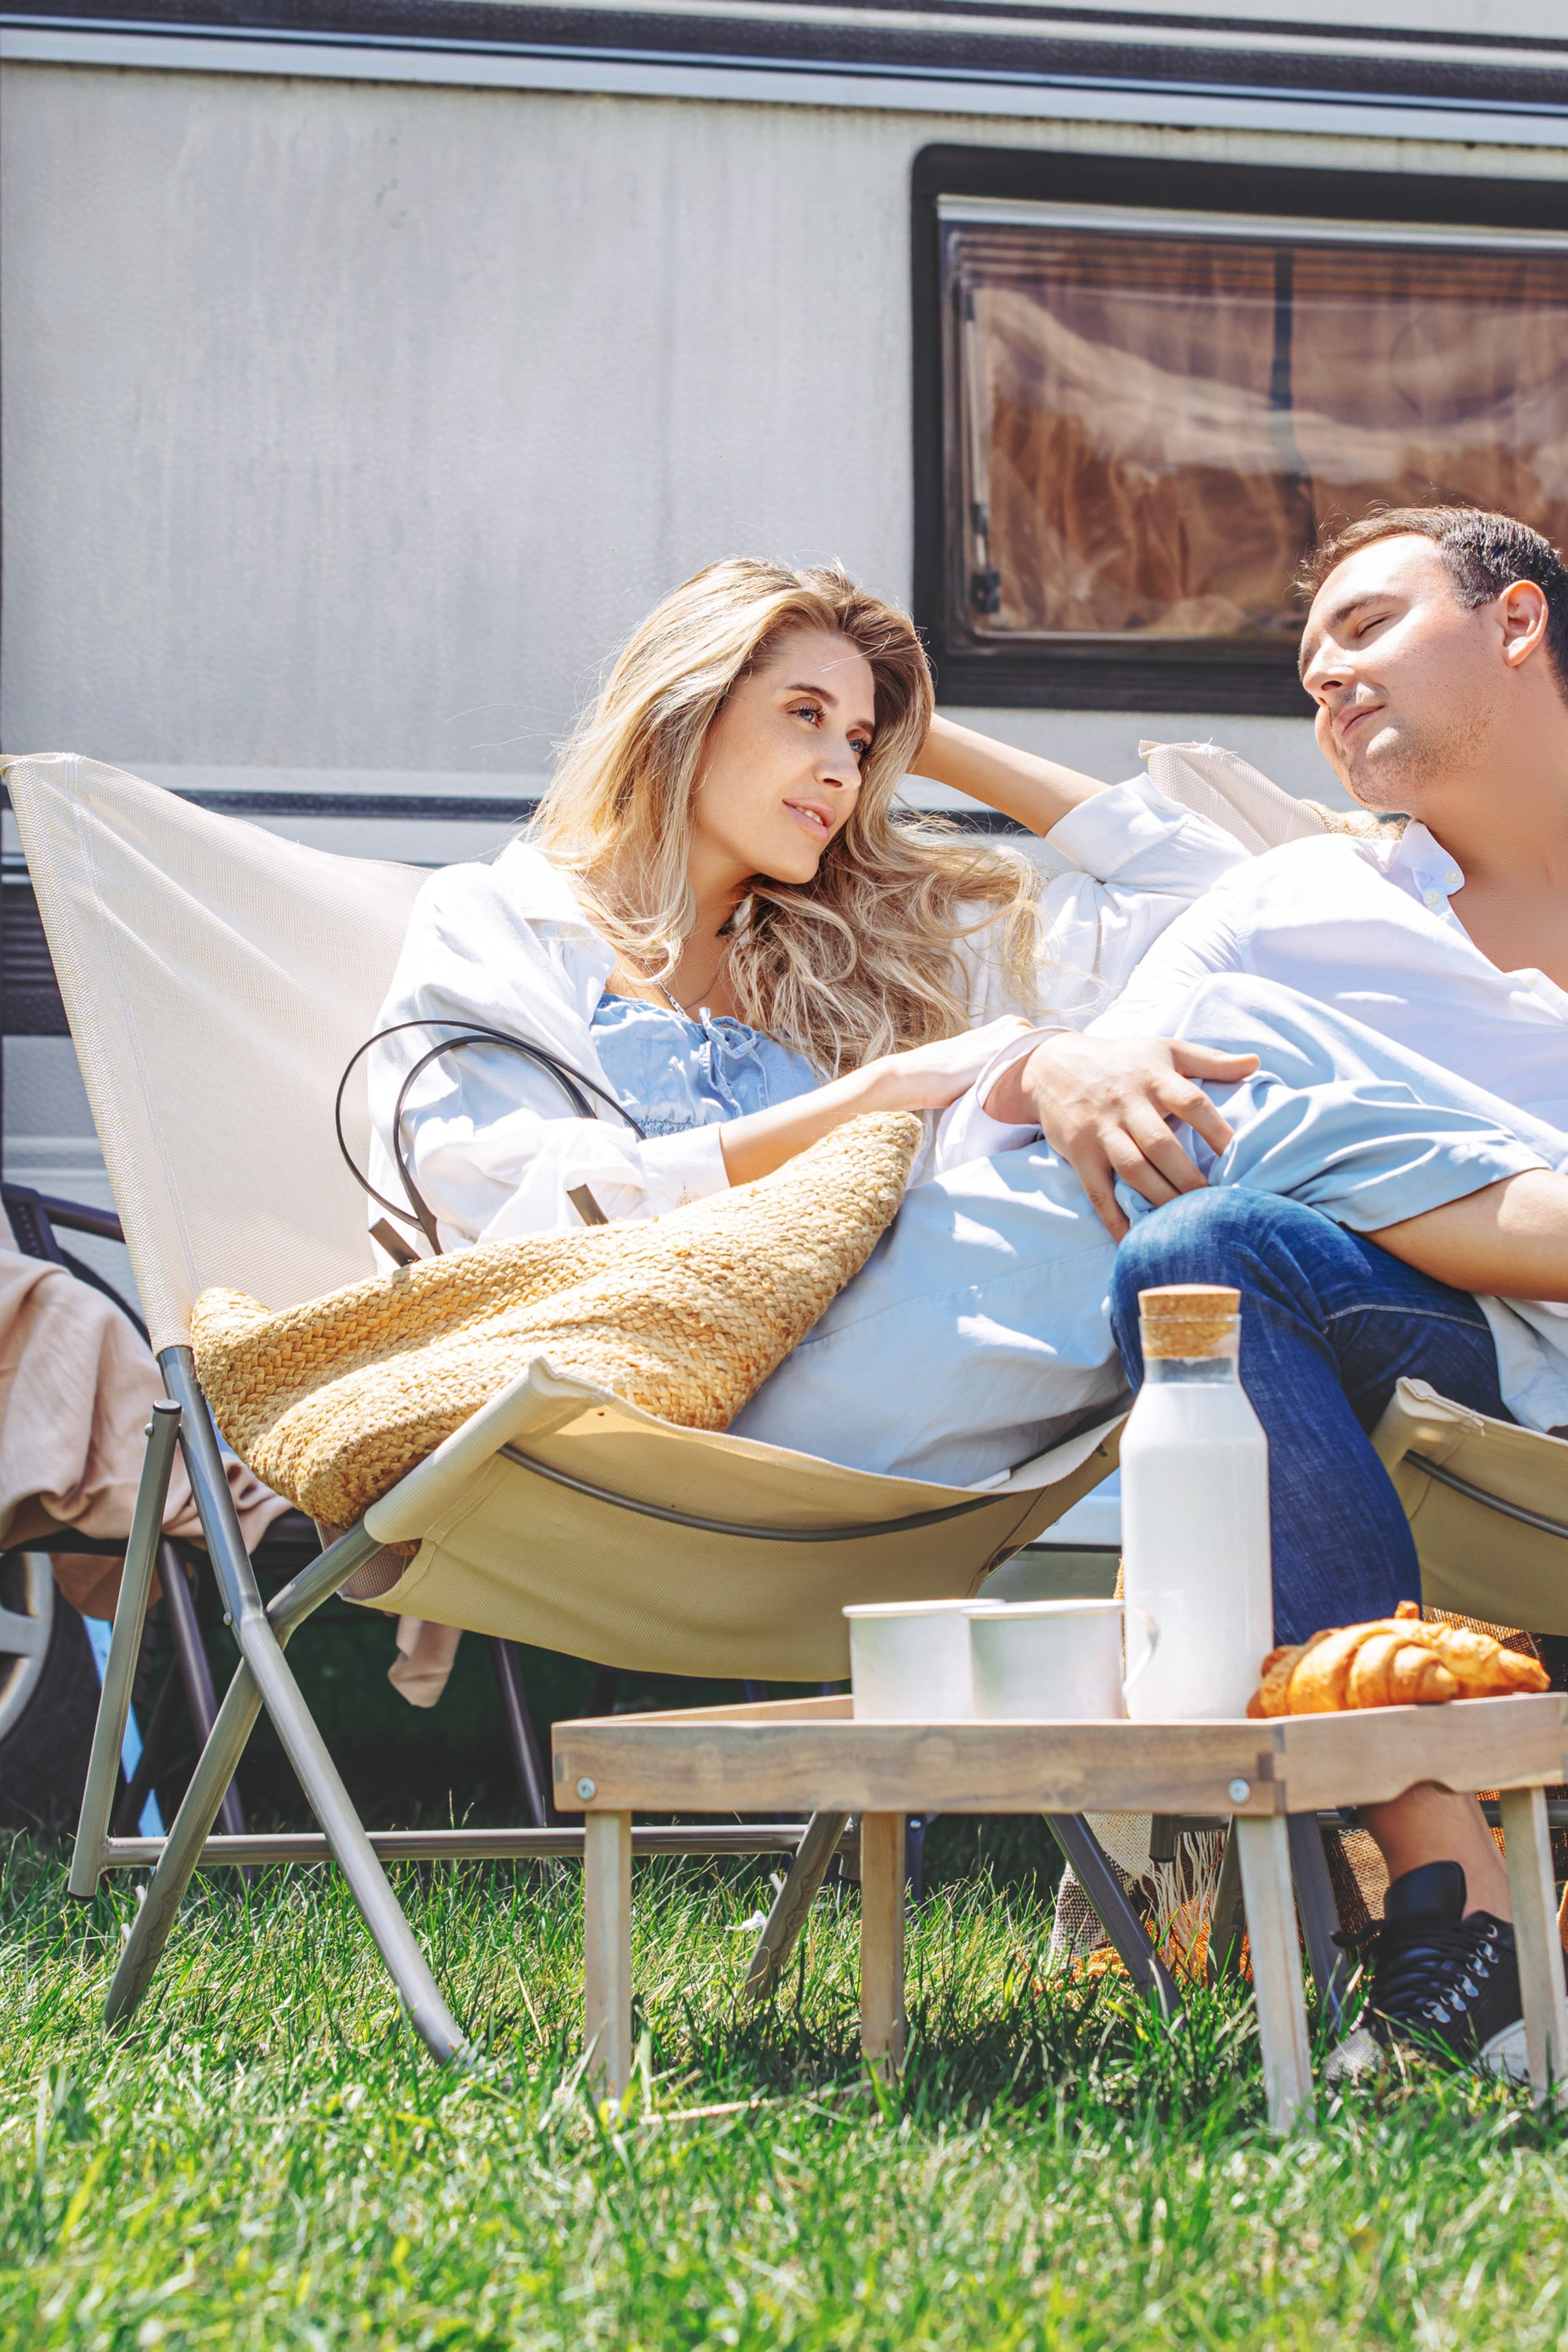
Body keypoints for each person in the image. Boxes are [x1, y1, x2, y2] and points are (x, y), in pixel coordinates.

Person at [371, 549, 1568, 2075]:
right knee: (1222, 1058)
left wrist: (927, 729)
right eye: (802, 715)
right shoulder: (503, 919)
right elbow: (500, 1198)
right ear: (679, 711)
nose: (838, 765)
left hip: (913, 1389)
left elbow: (1185, 883)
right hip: (699, 1395)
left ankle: (1448, 1912)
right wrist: (924, 1084)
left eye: (858, 740)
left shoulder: (842, 942)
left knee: (1208, 1184)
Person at [1014, 505, 1568, 2080]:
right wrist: (1075, 1055)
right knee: (1202, 1256)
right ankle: (1447, 1895)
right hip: (1473, 1364)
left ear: (1516, 625)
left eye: (1368, 625)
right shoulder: (1294, 910)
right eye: (1307, 655)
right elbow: (1091, 1054)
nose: (1324, 673)